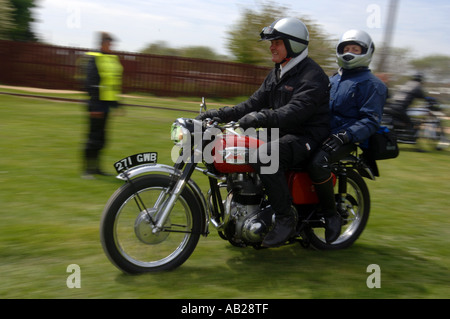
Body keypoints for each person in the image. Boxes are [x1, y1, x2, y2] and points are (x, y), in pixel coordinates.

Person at [197, 17, 331, 247]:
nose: (271, 46)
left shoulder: (313, 75)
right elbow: (252, 103)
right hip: (283, 132)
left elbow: (295, 112)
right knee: (235, 145)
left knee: (265, 155)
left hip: (307, 136)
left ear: (294, 45)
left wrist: (261, 117)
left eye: (277, 42)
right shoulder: (278, 72)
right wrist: (219, 114)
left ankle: (285, 218)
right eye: (271, 42)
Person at [308, 29, 388, 243]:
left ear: (367, 52)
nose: (349, 53)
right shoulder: (333, 80)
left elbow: (370, 120)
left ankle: (330, 215)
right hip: (321, 133)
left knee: (317, 163)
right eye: (346, 48)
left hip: (345, 139)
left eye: (355, 49)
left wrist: (345, 136)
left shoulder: (374, 85)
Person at [82, 32, 123, 179]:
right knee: (93, 137)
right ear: (102, 42)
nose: (111, 45)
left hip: (106, 104)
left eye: (111, 42)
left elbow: (111, 83)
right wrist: (94, 106)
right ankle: (86, 170)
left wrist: (116, 104)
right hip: (96, 104)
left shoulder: (111, 58)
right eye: (109, 42)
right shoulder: (95, 58)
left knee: (102, 139)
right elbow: (90, 83)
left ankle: (97, 168)